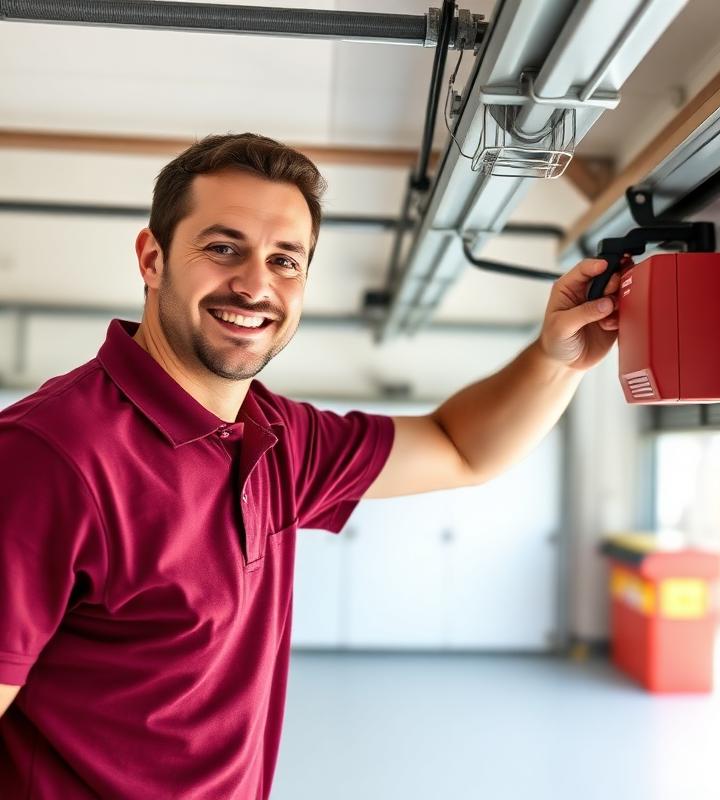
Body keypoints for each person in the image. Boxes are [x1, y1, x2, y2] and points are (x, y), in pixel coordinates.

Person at [0, 133, 619, 798]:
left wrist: (555, 359)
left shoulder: (275, 438)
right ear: (152, 259)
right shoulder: (47, 456)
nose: (255, 283)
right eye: (223, 247)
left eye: (285, 260)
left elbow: (460, 447)